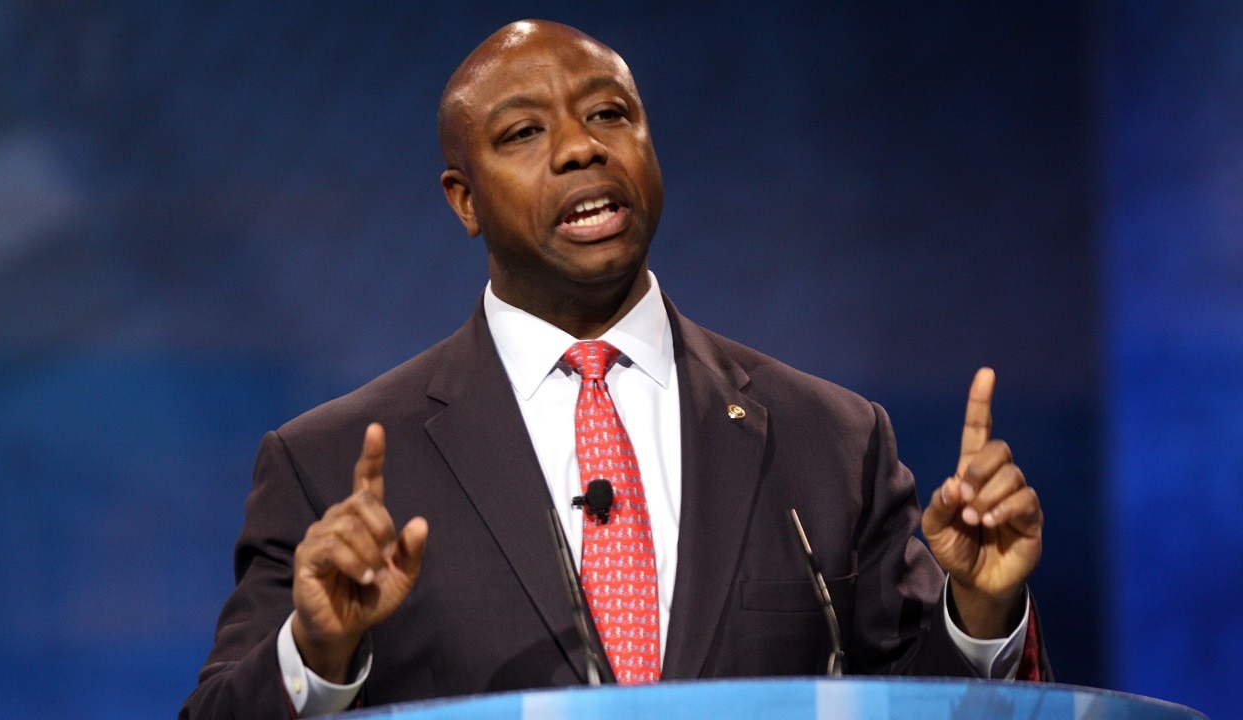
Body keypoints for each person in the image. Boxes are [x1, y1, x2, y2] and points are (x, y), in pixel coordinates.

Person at [181, 19, 1047, 719]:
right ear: (463, 199)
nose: (581, 149)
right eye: (524, 133)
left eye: (609, 114)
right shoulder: (327, 467)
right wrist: (318, 655)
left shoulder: (833, 439)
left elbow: (919, 703)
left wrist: (977, 615)